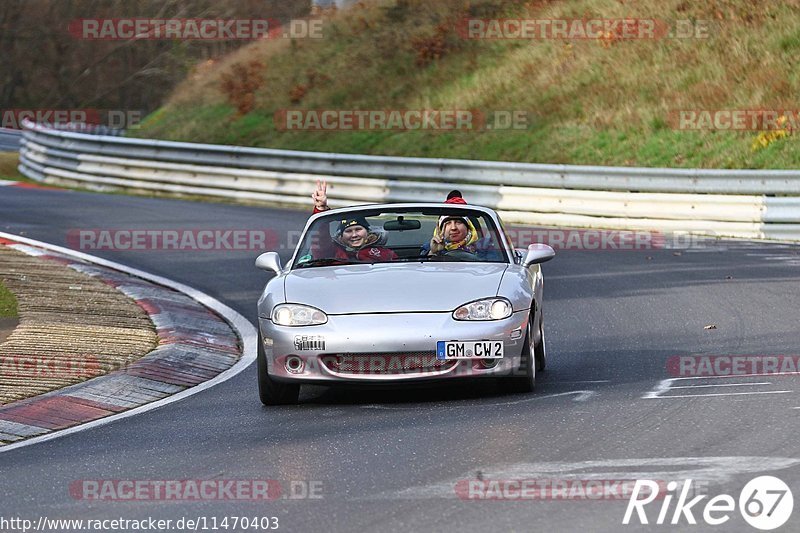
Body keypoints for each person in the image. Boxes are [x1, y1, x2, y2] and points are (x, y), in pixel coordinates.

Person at [306, 179, 397, 263]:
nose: (354, 235)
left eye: (358, 229)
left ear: (367, 232)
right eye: (348, 231)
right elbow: (322, 238)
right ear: (341, 236)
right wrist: (321, 209)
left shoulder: (385, 253)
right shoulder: (332, 252)